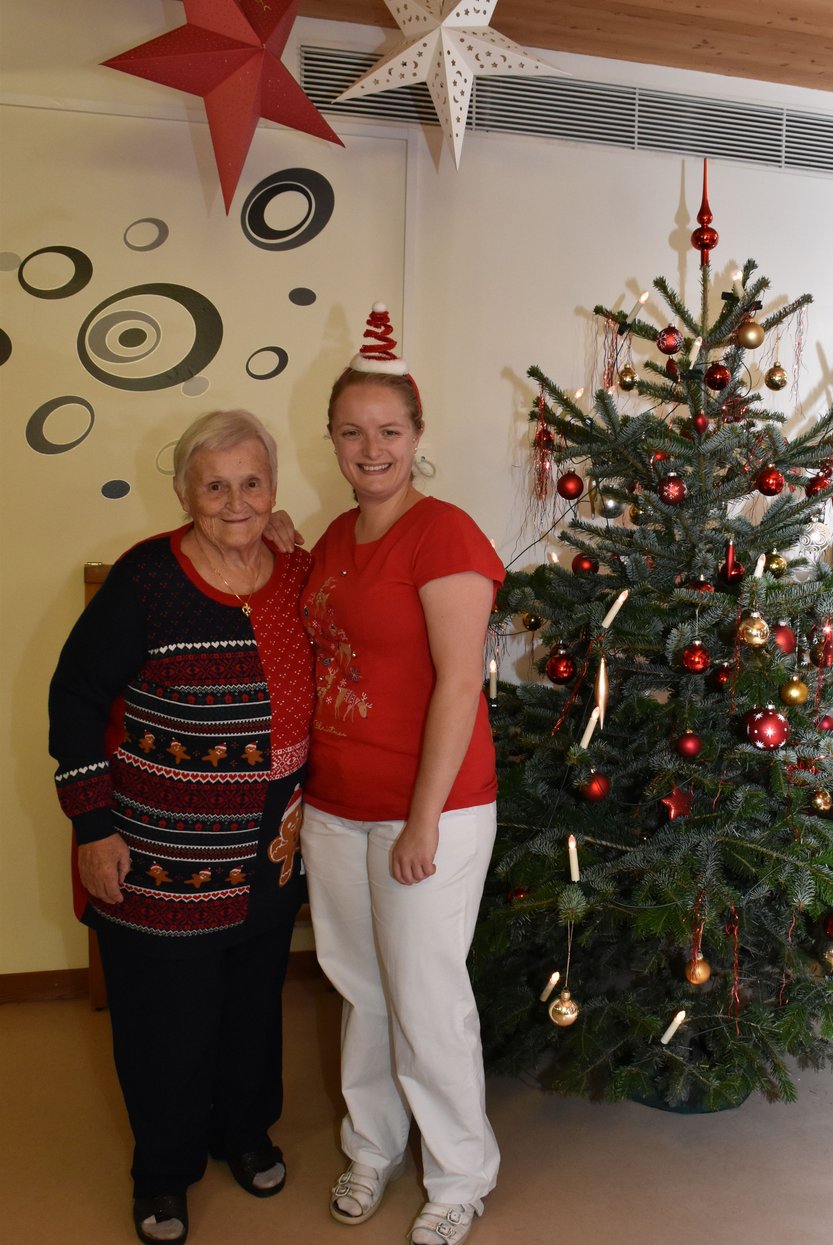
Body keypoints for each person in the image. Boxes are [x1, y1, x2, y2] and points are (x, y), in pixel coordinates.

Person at [49, 410, 315, 1245]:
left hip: (270, 843)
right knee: (165, 1020)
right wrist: (93, 827)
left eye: (252, 482)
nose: (236, 501)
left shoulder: (294, 569)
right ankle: (162, 1173)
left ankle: (243, 1131)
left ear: (273, 487)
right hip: (161, 850)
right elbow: (74, 700)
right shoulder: (147, 578)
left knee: (251, 1005)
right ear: (184, 492)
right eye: (215, 485)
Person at [298, 304, 504, 1245]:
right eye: (352, 431)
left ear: (417, 436)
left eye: (388, 430)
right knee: (362, 988)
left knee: (425, 996)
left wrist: (422, 820)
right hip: (337, 806)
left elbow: (459, 683)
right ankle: (372, 1146)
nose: (370, 448)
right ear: (333, 440)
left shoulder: (443, 534)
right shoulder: (334, 537)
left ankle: (459, 1174)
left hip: (431, 810)